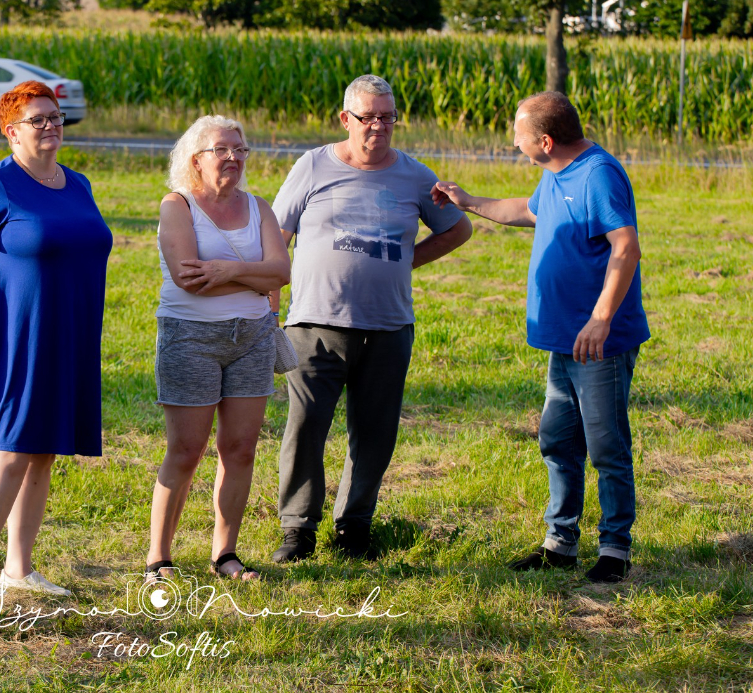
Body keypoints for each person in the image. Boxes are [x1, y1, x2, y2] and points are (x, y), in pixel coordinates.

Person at [431, 91, 648, 584]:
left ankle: (615, 548)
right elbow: (528, 211)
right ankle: (560, 543)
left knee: (606, 446)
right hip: (563, 339)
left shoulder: (598, 175)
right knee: (557, 438)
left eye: (518, 136)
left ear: (545, 141)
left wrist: (600, 318)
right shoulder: (556, 174)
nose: (514, 143)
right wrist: (469, 201)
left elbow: (626, 245)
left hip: (599, 342)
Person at [270, 75, 472, 563]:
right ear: (346, 119)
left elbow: (457, 229)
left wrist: (406, 261)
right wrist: (269, 307)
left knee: (375, 434)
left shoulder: (415, 176)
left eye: (387, 116)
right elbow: (277, 233)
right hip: (315, 324)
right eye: (368, 117)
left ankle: (355, 526)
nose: (378, 125)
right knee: (305, 430)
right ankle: (298, 529)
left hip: (387, 327)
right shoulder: (313, 165)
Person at [0, 80, 113, 603]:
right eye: (37, 120)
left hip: (71, 337)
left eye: (55, 118)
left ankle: (19, 567)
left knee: (44, 454)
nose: (50, 127)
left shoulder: (78, 184)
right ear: (11, 132)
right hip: (18, 341)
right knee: (12, 452)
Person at [146, 116, 291, 582]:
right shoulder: (177, 206)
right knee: (186, 450)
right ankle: (159, 559)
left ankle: (225, 554)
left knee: (241, 450)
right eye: (221, 149)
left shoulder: (258, 207)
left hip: (252, 338)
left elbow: (282, 273)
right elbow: (190, 280)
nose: (233, 157)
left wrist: (227, 271)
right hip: (190, 337)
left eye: (240, 149)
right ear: (196, 159)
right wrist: (253, 275)